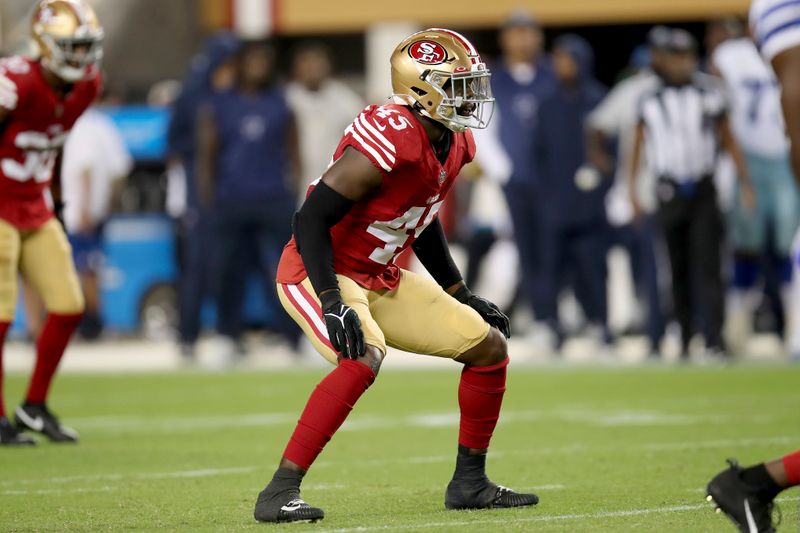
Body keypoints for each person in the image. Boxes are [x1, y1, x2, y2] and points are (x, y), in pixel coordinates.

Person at [252, 28, 538, 523]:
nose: (470, 97)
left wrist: (460, 292)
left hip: (378, 274)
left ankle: (469, 483)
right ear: (423, 89)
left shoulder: (454, 140)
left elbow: (419, 219)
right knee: (362, 357)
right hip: (317, 270)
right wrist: (330, 300)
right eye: (459, 85)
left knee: (488, 347)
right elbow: (310, 218)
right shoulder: (392, 137)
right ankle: (279, 492)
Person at [705, 1, 800, 530]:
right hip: (768, 161)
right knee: (749, 255)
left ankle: (755, 484)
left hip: (778, 161)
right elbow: (796, 86)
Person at [0, 0, 103, 446]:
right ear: (46, 44)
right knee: (1, 315)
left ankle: (34, 406)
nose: (81, 58)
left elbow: (55, 144)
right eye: (72, 47)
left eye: (86, 47)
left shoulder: (85, 87)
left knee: (67, 304)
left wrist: (57, 204)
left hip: (35, 206)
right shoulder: (15, 82)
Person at [629, 28, 756, 360]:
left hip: (702, 187)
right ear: (665, 59)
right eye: (675, 56)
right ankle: (684, 339)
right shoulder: (649, 98)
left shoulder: (710, 93)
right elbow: (638, 148)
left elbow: (728, 140)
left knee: (709, 266)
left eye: (686, 56)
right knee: (676, 268)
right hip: (668, 189)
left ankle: (714, 339)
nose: (681, 63)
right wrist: (630, 191)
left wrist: (745, 183)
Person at [197, 40, 301, 358]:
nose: (259, 66)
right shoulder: (219, 104)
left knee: (285, 271)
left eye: (264, 60)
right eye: (253, 60)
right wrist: (207, 201)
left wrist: (293, 191)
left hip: (273, 197)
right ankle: (229, 336)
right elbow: (207, 156)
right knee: (229, 270)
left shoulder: (280, 103)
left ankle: (293, 338)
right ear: (240, 64)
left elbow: (293, 151)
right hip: (231, 199)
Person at [713, 25, 800, 356]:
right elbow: (717, 109)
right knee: (745, 249)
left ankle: (794, 331)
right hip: (747, 159)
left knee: (789, 248)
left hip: (787, 153)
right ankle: (736, 333)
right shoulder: (729, 56)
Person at [586, 27, 671, 357]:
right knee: (648, 264)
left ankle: (657, 330)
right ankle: (651, 329)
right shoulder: (636, 90)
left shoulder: (686, 89)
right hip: (642, 192)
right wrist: (604, 163)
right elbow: (598, 124)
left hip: (650, 191)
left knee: (657, 265)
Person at [534, 34, 610, 350]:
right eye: (558, 59)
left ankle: (599, 325)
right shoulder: (547, 104)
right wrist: (545, 197)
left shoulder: (598, 99)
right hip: (555, 204)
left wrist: (603, 183)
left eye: (568, 58)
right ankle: (551, 327)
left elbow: (611, 151)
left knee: (592, 268)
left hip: (590, 206)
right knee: (550, 269)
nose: (562, 65)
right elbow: (537, 154)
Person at [167, 32, 239, 359]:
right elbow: (173, 145)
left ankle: (228, 333)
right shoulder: (195, 95)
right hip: (201, 189)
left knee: (229, 264)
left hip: (230, 187)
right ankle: (188, 336)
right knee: (198, 265)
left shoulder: (231, 94)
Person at [487, 10, 557, 330]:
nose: (524, 40)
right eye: (517, 33)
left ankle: (556, 312)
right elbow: (482, 129)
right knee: (524, 249)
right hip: (515, 181)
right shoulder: (493, 79)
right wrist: (504, 171)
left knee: (556, 247)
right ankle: (539, 315)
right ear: (505, 39)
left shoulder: (553, 73)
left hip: (552, 180)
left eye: (529, 32)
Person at [61, 92, 132, 340]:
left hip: (77, 213)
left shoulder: (79, 125)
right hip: (97, 212)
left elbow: (85, 169)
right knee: (91, 268)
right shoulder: (104, 124)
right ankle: (91, 323)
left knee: (82, 269)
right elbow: (120, 170)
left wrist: (84, 208)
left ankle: (89, 324)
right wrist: (108, 205)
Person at [286, 42, 364, 192]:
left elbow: (364, 128)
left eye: (317, 62)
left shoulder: (342, 96)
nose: (312, 69)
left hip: (334, 181)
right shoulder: (288, 97)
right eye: (306, 63)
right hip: (295, 183)